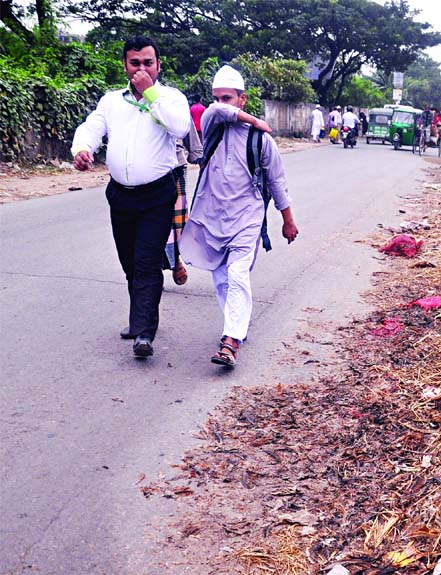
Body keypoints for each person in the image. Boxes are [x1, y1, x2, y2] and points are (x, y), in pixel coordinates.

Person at [71, 36, 191, 358]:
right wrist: (82, 149)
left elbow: (180, 127)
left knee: (147, 261)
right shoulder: (111, 101)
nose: (141, 68)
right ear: (124, 65)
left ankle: (143, 332)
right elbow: (91, 128)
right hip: (120, 196)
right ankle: (139, 318)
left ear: (158, 65)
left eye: (147, 63)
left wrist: (150, 92)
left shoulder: (170, 98)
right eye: (134, 62)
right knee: (129, 262)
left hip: (157, 194)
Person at [178, 65, 298, 368]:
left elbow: (277, 182)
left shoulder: (261, 142)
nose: (220, 103)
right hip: (212, 216)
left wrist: (288, 220)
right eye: (216, 97)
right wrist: (254, 119)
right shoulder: (211, 127)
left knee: (236, 274)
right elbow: (214, 113)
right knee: (220, 278)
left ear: (242, 98)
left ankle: (231, 340)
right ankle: (237, 326)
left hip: (247, 218)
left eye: (228, 98)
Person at [163, 126, 203, 286]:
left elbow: (187, 127)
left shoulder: (176, 102)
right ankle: (153, 269)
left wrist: (199, 157)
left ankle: (175, 260)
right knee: (150, 219)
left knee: (176, 222)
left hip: (175, 166)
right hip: (145, 167)